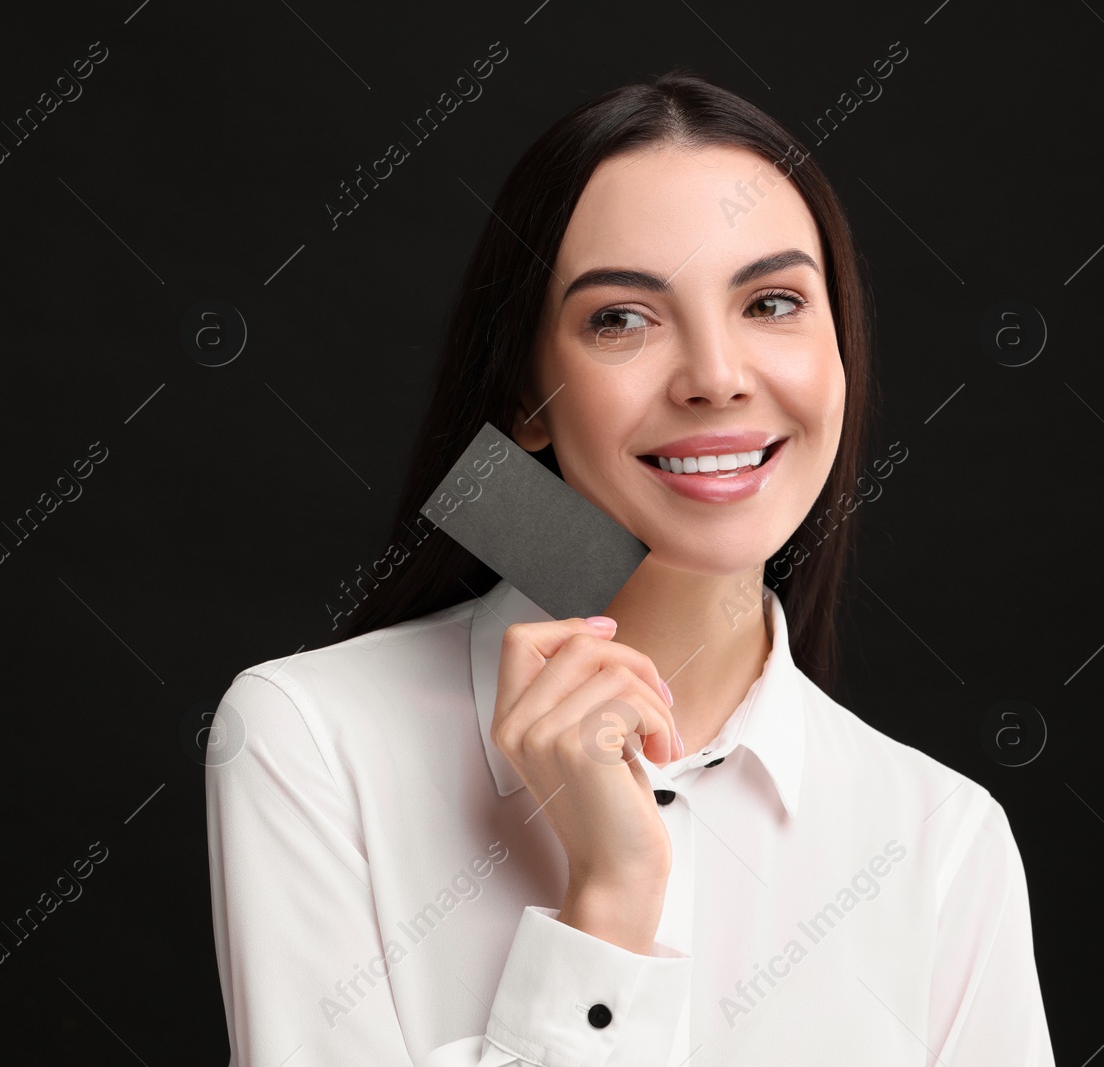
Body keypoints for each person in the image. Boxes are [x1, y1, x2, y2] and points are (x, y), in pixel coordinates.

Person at [204, 67, 1057, 1066]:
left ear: (839, 349)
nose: (716, 376)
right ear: (526, 397)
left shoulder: (940, 836)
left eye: (772, 301)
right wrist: (606, 902)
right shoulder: (308, 740)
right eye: (622, 318)